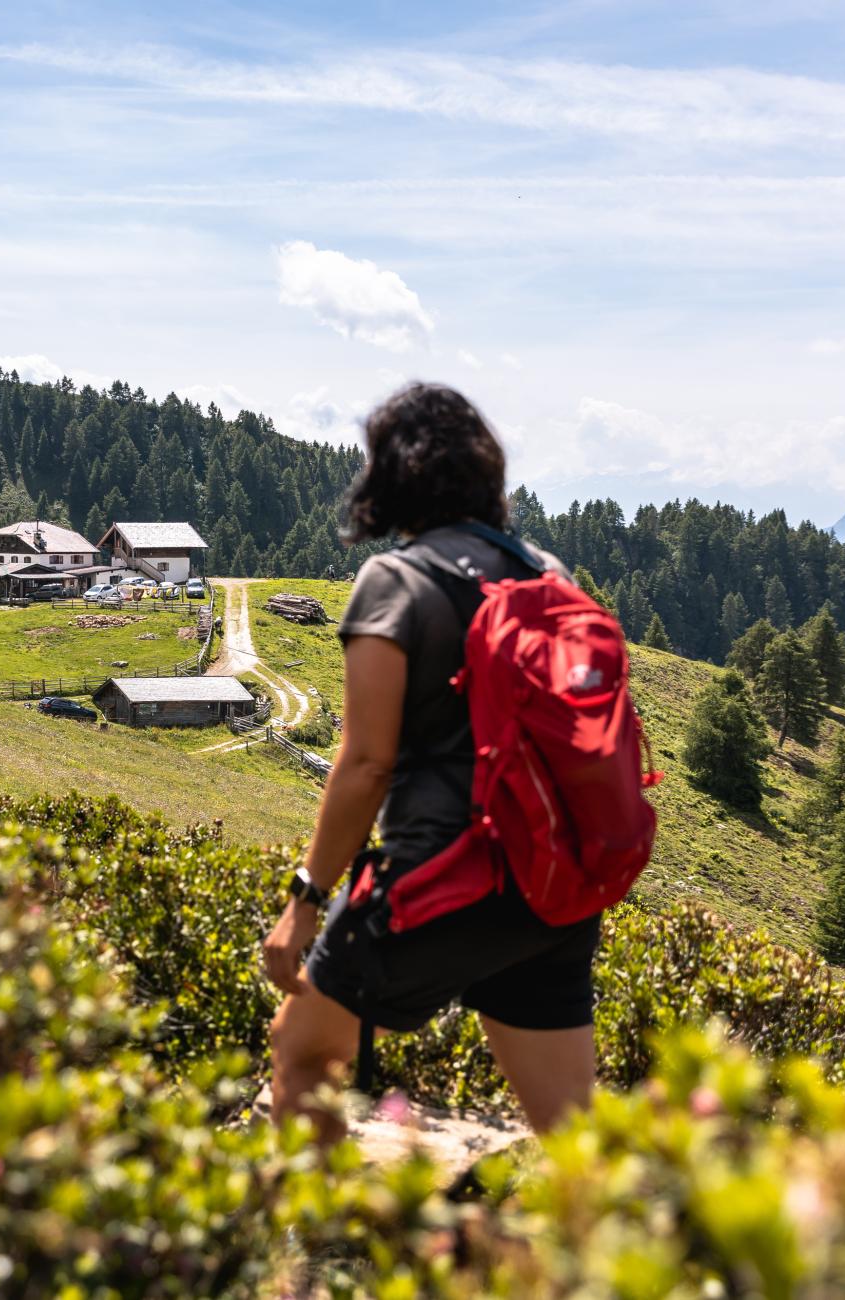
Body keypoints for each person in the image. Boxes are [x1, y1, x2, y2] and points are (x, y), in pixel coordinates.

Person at [264, 383, 599, 1141]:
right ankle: (637, 1257)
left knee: (302, 1055)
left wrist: (305, 898)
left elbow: (364, 764)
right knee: (572, 1130)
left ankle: (316, 1253)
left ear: (391, 477)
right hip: (553, 887)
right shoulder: (547, 574)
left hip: (441, 882)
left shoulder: (396, 583)